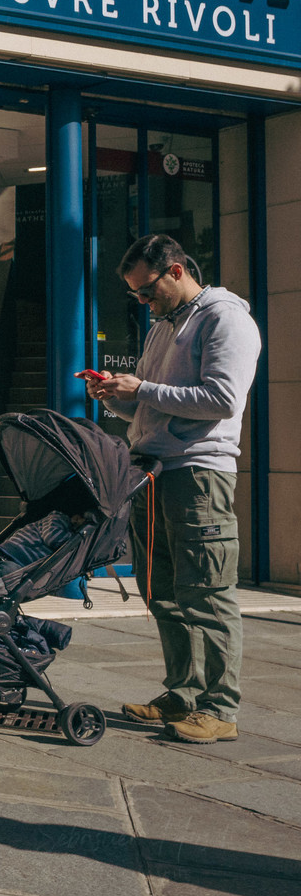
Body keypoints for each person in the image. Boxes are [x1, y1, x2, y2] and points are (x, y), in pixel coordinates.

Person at [86, 233, 261, 746]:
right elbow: (149, 406)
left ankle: (220, 709)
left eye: (147, 290)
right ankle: (183, 693)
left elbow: (222, 399)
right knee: (161, 591)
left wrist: (141, 388)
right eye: (135, 294)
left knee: (207, 592)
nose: (143, 301)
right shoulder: (162, 327)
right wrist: (112, 395)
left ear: (177, 271)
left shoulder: (225, 318)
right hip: (152, 472)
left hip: (198, 474)